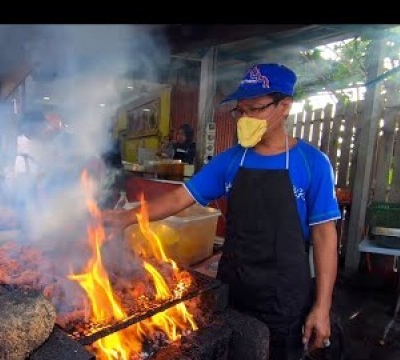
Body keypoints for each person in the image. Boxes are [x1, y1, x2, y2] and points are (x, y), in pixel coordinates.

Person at [103, 63, 340, 360]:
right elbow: (180, 197)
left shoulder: (312, 163)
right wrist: (125, 218)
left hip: (284, 296)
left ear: (285, 107)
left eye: (256, 109)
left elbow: (325, 237)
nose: (246, 119)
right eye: (241, 111)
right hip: (233, 287)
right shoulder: (231, 160)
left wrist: (322, 307)